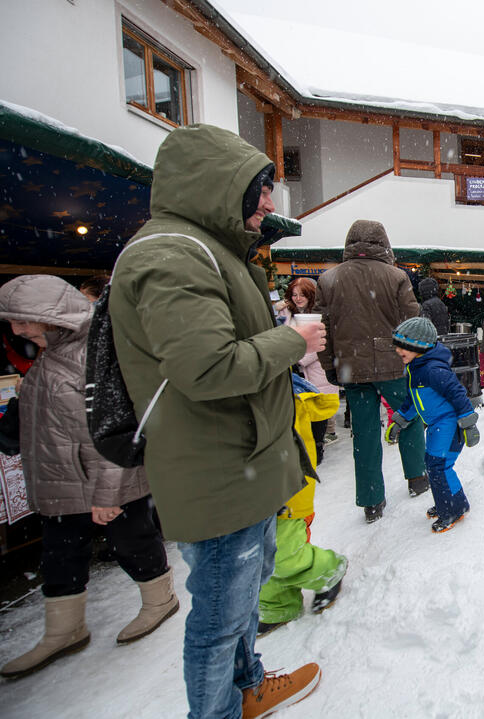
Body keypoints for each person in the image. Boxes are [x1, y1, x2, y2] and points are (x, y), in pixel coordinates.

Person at [107, 124, 324, 718]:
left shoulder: (203, 249)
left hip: (236, 463)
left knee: (242, 601)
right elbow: (208, 367)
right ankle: (219, 711)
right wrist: (291, 341)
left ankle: (246, 686)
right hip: (217, 470)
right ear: (218, 187)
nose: (269, 206)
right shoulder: (171, 254)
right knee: (220, 616)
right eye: (259, 190)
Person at [0, 275, 178, 679]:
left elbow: (116, 428)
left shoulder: (94, 353)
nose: (17, 330)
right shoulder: (48, 355)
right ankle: (64, 629)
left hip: (106, 479)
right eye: (12, 322)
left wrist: (108, 493)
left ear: (49, 316)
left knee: (133, 542)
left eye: (24, 321)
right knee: (60, 554)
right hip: (61, 480)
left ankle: (159, 599)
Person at [317, 219, 429, 523]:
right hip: (393, 363)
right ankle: (417, 477)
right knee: (408, 417)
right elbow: (412, 321)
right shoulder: (396, 276)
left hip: (350, 365)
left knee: (363, 433)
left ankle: (371, 500)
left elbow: (322, 329)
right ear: (384, 242)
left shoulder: (328, 280)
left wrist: (330, 365)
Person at [257, 374, 348, 636]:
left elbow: (289, 447)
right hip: (247, 493)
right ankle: (277, 604)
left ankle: (328, 569)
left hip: (284, 491)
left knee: (283, 551)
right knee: (257, 552)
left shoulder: (279, 394)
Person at [385, 317, 480, 533]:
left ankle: (453, 509)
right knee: (436, 465)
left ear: (421, 347)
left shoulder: (432, 370)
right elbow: (413, 399)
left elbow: (458, 394)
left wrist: (468, 424)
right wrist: (400, 420)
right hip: (437, 424)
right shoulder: (415, 368)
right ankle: (452, 502)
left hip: (448, 423)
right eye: (398, 345)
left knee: (438, 465)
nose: (399, 351)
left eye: (405, 346)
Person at [282, 276, 338, 462]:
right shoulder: (289, 314)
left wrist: (295, 356)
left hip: (315, 369)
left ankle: (317, 448)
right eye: (295, 294)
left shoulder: (318, 314)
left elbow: (320, 344)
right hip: (295, 368)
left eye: (302, 294)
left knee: (318, 410)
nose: (298, 298)